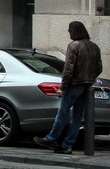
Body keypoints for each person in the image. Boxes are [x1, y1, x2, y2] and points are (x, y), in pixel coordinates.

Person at [34, 21, 102, 155]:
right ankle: (68, 144)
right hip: (87, 85)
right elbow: (99, 67)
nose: (68, 33)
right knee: (77, 117)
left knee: (63, 113)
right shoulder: (94, 47)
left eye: (70, 30)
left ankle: (51, 138)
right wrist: (90, 79)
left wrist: (63, 87)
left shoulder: (74, 46)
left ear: (75, 31)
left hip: (74, 84)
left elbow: (68, 68)